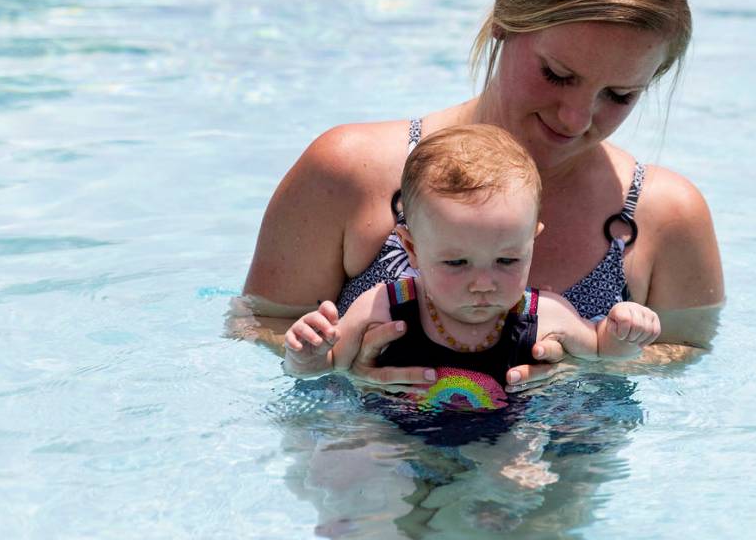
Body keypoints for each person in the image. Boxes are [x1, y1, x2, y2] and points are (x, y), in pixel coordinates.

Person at [241, 0, 724, 390]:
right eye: (556, 75)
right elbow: (253, 327)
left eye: (619, 95)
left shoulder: (664, 217)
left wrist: (593, 361)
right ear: (503, 20)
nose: (576, 118)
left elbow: (690, 355)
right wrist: (341, 366)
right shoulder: (349, 172)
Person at [282, 125, 661, 410]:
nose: (483, 283)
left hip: (506, 436)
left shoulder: (546, 315)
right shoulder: (382, 307)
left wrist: (624, 330)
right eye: (457, 262)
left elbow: (600, 351)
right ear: (411, 248)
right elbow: (328, 367)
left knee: (518, 469)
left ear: (532, 242)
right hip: (395, 435)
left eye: (507, 261)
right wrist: (308, 353)